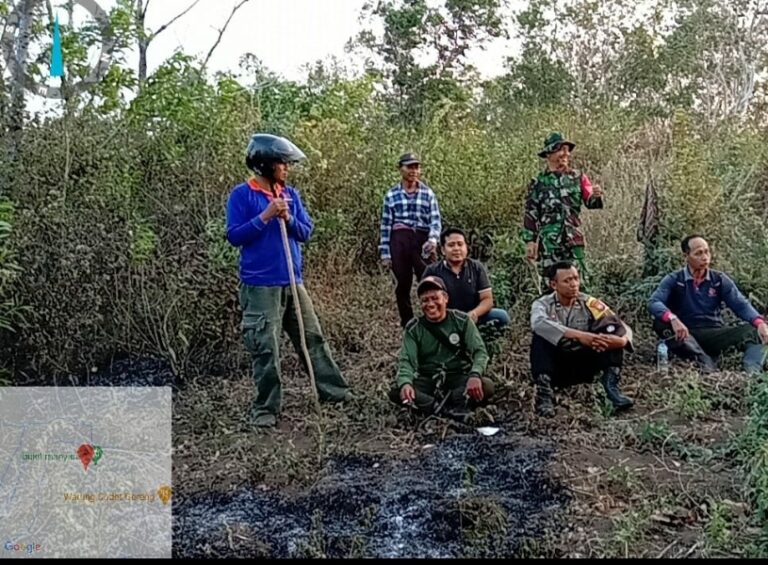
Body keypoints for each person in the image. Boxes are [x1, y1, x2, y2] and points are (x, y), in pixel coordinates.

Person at [226, 133, 351, 428]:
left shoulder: (290, 195)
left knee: (312, 337)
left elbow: (306, 232)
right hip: (260, 286)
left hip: (293, 282)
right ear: (265, 164)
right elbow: (234, 236)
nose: (286, 168)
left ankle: (335, 392)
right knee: (265, 346)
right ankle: (266, 407)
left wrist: (289, 219)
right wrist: (266, 216)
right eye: (282, 163)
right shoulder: (242, 195)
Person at [648, 235, 768, 374]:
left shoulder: (719, 280)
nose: (705, 257)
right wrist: (672, 318)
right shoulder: (675, 279)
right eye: (698, 253)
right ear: (685, 256)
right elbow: (654, 302)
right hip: (685, 335)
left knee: (755, 330)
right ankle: (704, 361)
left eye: (707, 252)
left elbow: (740, 304)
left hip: (713, 333)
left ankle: (752, 374)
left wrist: (760, 323)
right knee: (661, 323)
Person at [530, 261, 634, 417]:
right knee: (541, 337)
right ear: (553, 284)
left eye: (576, 279)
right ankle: (544, 395)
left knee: (610, 335)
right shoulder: (543, 304)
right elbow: (538, 324)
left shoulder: (589, 302)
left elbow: (620, 325)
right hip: (556, 366)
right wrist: (580, 336)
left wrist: (622, 341)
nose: (573, 284)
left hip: (584, 363)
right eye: (567, 281)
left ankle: (611, 390)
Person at [389, 276, 495, 421]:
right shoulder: (414, 328)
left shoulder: (462, 321)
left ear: (445, 298)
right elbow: (406, 360)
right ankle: (440, 408)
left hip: (458, 377)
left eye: (435, 298)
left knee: (486, 386)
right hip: (429, 380)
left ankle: (444, 404)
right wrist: (406, 383)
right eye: (425, 300)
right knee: (397, 392)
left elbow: (480, 352)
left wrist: (475, 375)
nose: (430, 304)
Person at [522, 132, 604, 281]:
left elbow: (591, 202)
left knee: (578, 283)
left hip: (574, 241)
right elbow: (531, 213)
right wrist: (530, 241)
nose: (565, 154)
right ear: (549, 154)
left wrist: (596, 196)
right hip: (549, 244)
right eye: (561, 149)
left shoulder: (579, 177)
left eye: (567, 150)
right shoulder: (538, 183)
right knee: (551, 284)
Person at [379, 152, 443, 327]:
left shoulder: (428, 193)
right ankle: (408, 323)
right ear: (401, 169)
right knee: (403, 283)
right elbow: (385, 225)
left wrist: (432, 240)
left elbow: (435, 220)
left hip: (422, 239)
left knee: (430, 280)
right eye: (410, 167)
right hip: (400, 240)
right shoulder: (391, 195)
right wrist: (385, 254)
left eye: (417, 167)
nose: (414, 171)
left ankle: (435, 319)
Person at [422, 227, 509, 343]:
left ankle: (485, 343)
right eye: (451, 245)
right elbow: (427, 303)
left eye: (460, 244)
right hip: (444, 319)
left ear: (466, 247)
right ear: (443, 250)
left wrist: (473, 314)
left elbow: (487, 300)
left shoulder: (476, 268)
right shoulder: (432, 271)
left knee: (501, 316)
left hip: (473, 317)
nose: (456, 249)